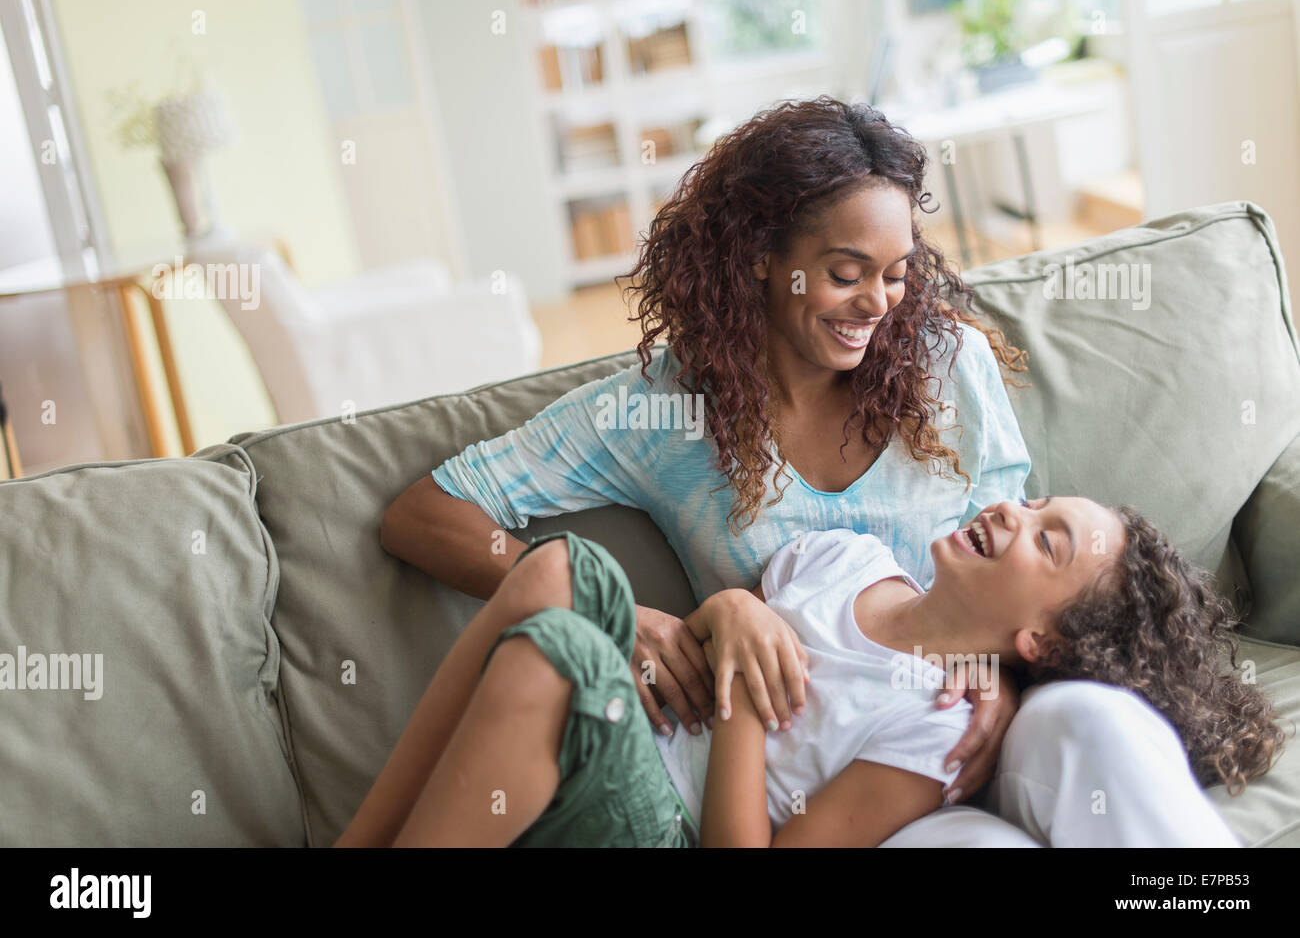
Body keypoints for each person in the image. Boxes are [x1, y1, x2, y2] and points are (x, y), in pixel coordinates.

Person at [376, 96, 1033, 828]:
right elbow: (427, 512)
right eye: (846, 272)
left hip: (906, 775)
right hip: (732, 786)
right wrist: (621, 619)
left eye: (897, 272)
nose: (877, 302)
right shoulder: (668, 408)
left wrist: (1005, 677)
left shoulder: (949, 368)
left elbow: (1028, 570)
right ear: (760, 256)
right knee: (564, 592)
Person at [336, 497, 1285, 847]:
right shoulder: (842, 557)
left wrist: (748, 699)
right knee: (557, 570)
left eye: (1048, 538)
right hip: (640, 733)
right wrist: (732, 610)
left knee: (566, 656)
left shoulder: (938, 727)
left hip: (667, 820)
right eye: (1034, 500)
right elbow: (717, 633)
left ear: (1039, 638)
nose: (1012, 509)